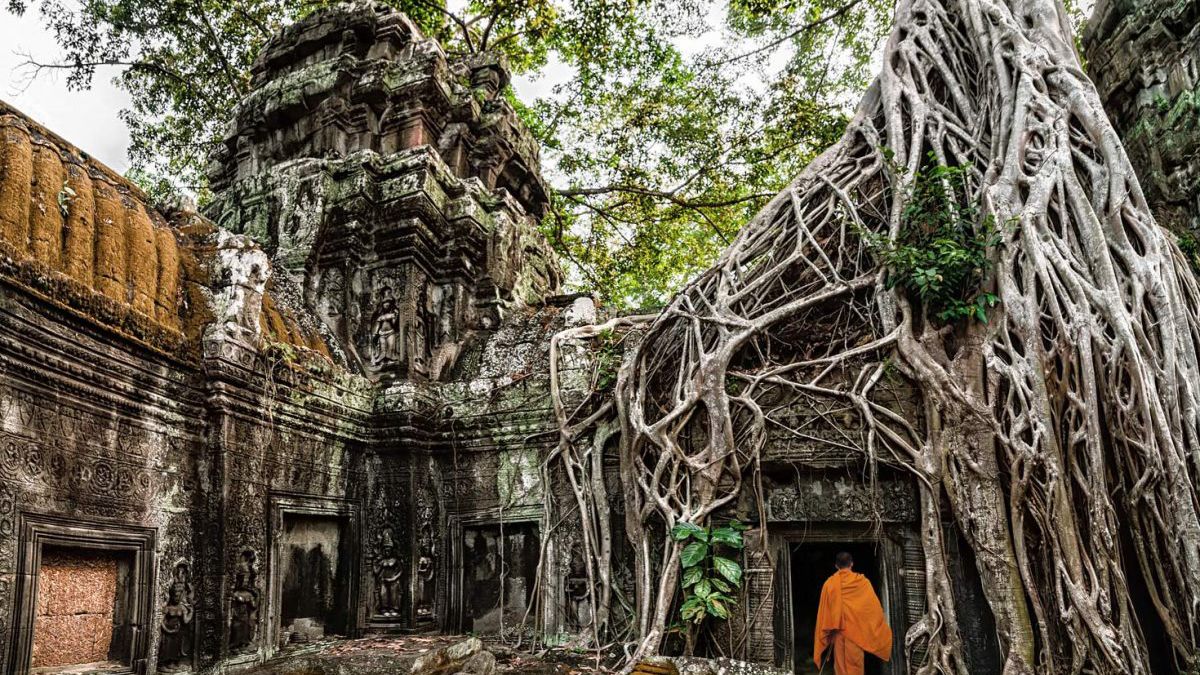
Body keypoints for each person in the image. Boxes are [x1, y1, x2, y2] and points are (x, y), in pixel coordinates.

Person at [814, 552, 892, 675]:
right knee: (855, 668)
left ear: (836, 566)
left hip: (839, 634)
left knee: (840, 669)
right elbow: (873, 610)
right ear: (852, 564)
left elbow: (825, 613)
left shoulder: (829, 584)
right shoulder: (862, 583)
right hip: (857, 635)